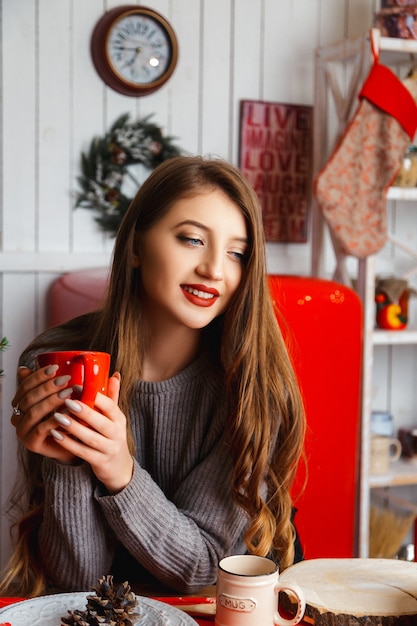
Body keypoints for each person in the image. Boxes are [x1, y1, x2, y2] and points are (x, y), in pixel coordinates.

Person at [0, 155, 305, 597]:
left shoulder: (250, 388)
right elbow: (76, 584)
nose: (214, 269)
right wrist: (66, 463)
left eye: (237, 253)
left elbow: (203, 571)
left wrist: (120, 470)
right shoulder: (61, 363)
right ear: (137, 247)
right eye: (192, 239)